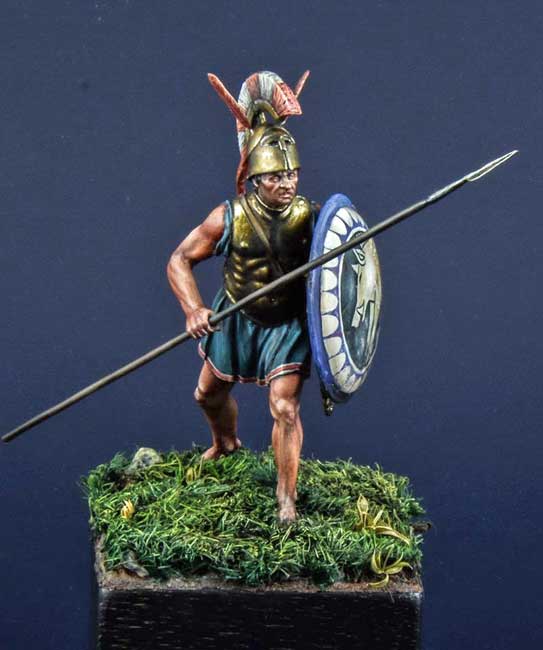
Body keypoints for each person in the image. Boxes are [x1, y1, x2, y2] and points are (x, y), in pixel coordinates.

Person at [167, 71, 316, 523]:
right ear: (254, 178)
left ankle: (286, 498)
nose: (287, 183)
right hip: (237, 317)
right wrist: (193, 308)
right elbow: (179, 259)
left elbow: (344, 268)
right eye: (276, 176)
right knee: (207, 395)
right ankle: (226, 443)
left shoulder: (311, 217)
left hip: (287, 324)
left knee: (285, 408)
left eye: (292, 173)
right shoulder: (229, 217)